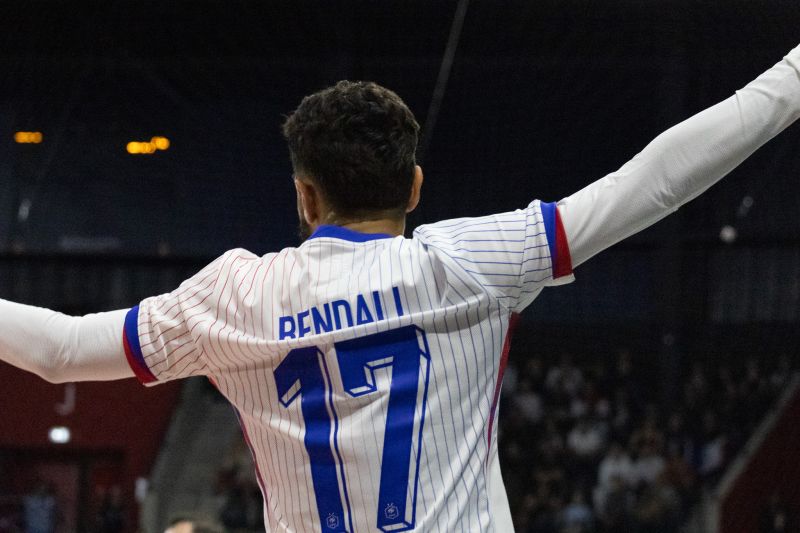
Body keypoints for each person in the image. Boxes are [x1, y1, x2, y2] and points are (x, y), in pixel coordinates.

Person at [0, 44, 798, 531]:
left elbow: (58, 349)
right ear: (415, 186)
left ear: (304, 196)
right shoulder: (465, 263)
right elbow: (652, 182)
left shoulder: (233, 296)